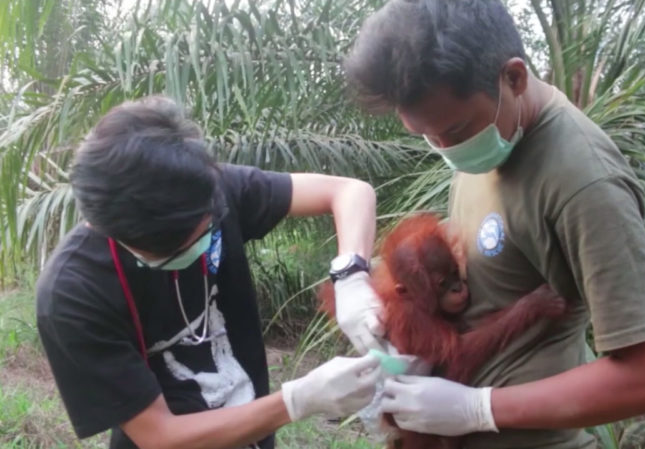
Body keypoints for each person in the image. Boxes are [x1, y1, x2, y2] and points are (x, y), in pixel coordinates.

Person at [341, 1, 645, 448]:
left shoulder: (584, 180)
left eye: (453, 129)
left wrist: (479, 409)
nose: (445, 148)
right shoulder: (491, 135)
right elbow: (499, 255)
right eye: (427, 136)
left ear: (514, 77)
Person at [35, 95, 390, 449]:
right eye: (184, 243)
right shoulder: (72, 294)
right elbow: (160, 436)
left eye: (209, 227)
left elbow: (349, 192)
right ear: (126, 236)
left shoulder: (206, 189)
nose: (205, 237)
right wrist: (298, 400)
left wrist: (351, 274)